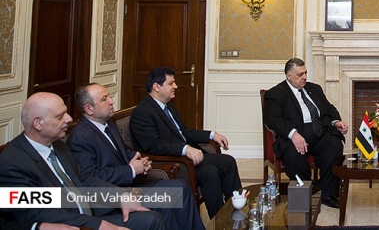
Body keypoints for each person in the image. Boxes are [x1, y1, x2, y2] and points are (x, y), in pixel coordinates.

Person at [0, 92, 165, 230]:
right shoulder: (14, 162)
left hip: (91, 211)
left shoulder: (59, 146)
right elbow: (37, 212)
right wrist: (99, 225)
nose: (69, 118)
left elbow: (84, 179)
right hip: (70, 224)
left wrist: (120, 196)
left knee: (154, 216)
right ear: (38, 123)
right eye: (60, 116)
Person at [68, 83, 205, 230]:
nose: (111, 101)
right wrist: (131, 170)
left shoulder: (108, 123)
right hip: (110, 199)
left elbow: (122, 151)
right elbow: (90, 178)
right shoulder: (80, 136)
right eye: (104, 99)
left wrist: (138, 159)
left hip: (129, 188)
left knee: (180, 188)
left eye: (109, 96)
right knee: (166, 201)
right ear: (89, 109)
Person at [130, 67, 242, 218]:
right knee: (209, 172)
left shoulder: (168, 105)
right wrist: (185, 149)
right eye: (171, 83)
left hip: (186, 157)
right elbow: (154, 146)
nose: (175, 86)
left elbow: (184, 132)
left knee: (228, 161)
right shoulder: (143, 113)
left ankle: (235, 211)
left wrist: (212, 134)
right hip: (174, 162)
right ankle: (219, 220)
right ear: (156, 87)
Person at [263, 58, 349, 209]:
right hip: (295, 134)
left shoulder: (314, 89)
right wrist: (293, 134)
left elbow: (329, 108)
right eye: (299, 75)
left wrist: (336, 122)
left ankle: (326, 193)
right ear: (288, 76)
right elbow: (272, 119)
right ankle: (306, 191)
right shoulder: (276, 93)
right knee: (293, 153)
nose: (304, 77)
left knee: (335, 144)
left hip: (319, 132)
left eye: (305, 73)